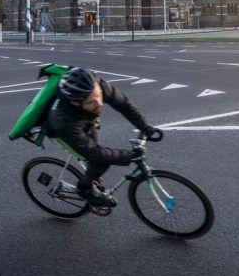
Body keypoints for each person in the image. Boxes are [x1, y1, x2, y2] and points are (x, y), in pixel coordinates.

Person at [46, 67, 162, 207]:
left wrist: (144, 126)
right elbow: (96, 153)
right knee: (99, 161)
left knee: (96, 157)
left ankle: (92, 177)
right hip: (66, 129)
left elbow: (124, 104)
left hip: (85, 118)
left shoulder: (97, 86)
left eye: (99, 96)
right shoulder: (64, 124)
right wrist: (129, 156)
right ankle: (84, 190)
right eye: (92, 102)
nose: (100, 103)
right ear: (75, 102)